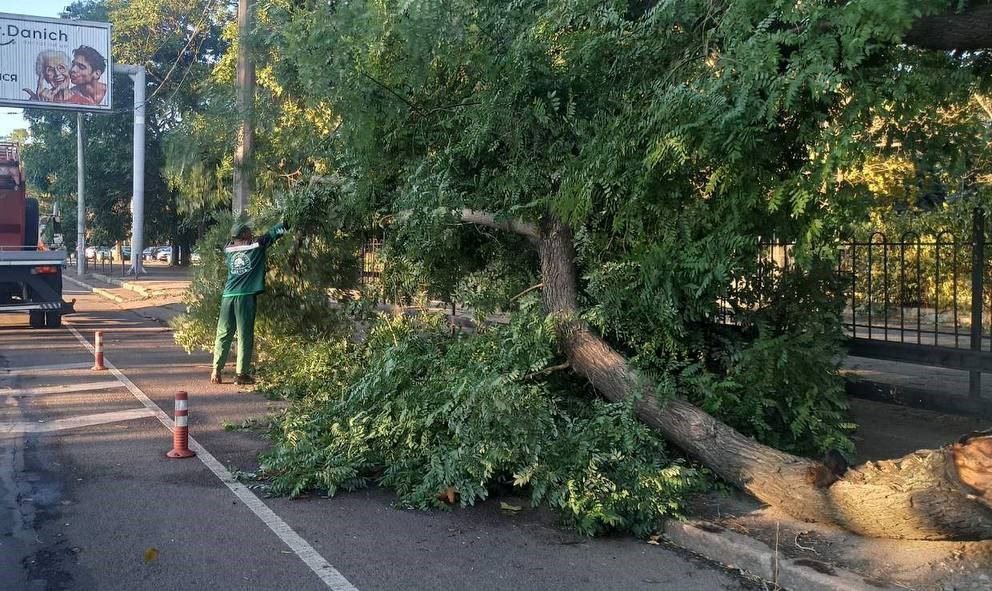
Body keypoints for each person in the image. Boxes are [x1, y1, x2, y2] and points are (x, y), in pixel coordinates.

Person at [211, 215, 288, 385]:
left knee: (223, 333)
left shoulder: (228, 249)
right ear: (245, 234)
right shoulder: (256, 245)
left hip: (228, 296)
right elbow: (272, 234)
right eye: (249, 231)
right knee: (244, 334)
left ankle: (216, 370)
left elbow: (243, 244)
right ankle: (241, 374)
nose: (252, 233)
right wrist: (286, 224)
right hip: (245, 297)